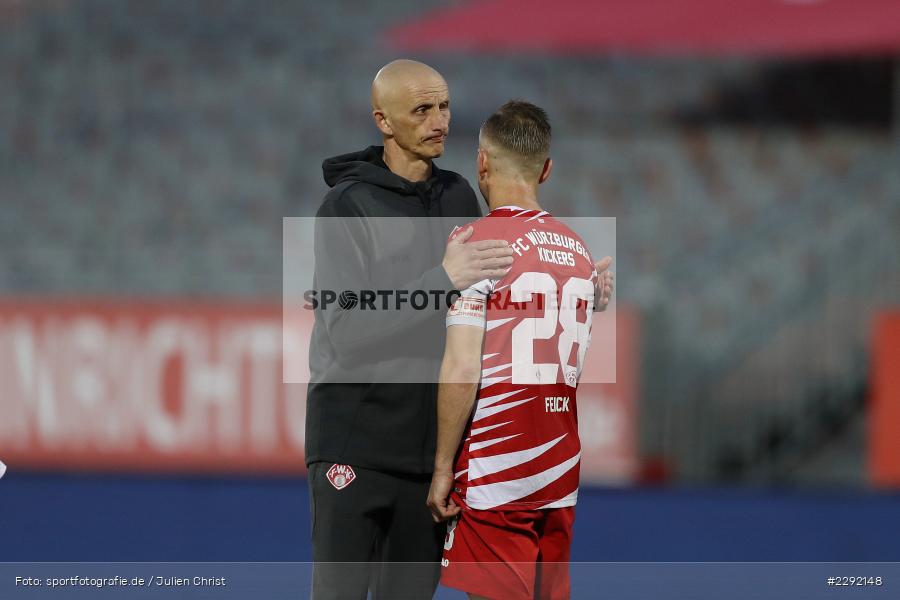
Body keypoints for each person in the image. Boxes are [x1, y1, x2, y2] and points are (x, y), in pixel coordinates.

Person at [307, 59, 614, 599]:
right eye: (421, 109)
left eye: (444, 106)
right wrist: (440, 280)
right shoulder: (345, 207)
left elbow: (496, 311)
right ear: (383, 120)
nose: (439, 121)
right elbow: (345, 327)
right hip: (355, 445)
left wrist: (580, 291)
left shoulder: (459, 198)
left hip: (430, 458)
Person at [427, 100, 598, 600]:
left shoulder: (477, 243)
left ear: (481, 162)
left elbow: (462, 365)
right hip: (561, 467)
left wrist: (442, 468)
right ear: (546, 169)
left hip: (498, 470)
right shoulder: (579, 250)